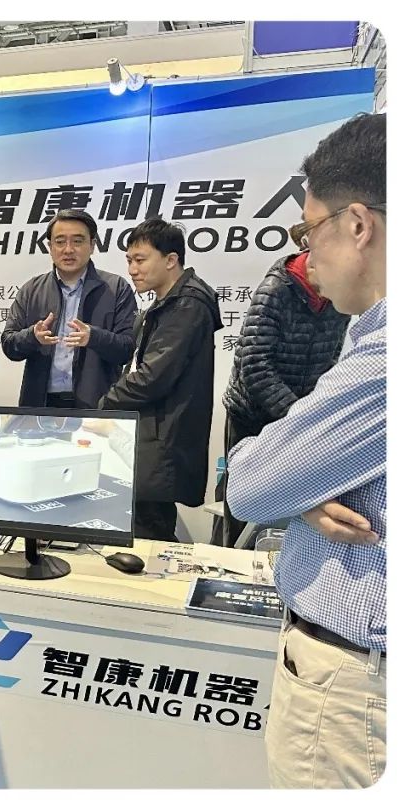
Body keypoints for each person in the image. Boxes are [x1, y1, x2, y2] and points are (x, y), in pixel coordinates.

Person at [227, 113, 385, 788]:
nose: (307, 253)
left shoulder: (385, 357)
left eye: (308, 229)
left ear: (358, 225)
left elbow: (249, 485)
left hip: (353, 688)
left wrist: (292, 475)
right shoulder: (362, 329)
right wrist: (305, 480)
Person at [98, 218, 223, 541]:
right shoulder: (170, 301)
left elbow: (153, 376)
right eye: (129, 260)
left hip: (162, 438)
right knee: (146, 526)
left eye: (140, 260)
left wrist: (105, 404)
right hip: (154, 434)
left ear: (171, 260)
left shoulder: (187, 304)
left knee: (148, 535)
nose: (132, 270)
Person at [214, 250, 350, 545]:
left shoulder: (340, 293)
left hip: (297, 417)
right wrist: (298, 415)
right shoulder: (276, 290)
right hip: (252, 415)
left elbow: (331, 358)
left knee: (294, 504)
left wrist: (310, 413)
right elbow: (254, 365)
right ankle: (224, 563)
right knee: (240, 504)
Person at [1, 209, 136, 409]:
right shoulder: (32, 290)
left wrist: (94, 337)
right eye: (60, 241)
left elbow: (127, 349)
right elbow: (9, 345)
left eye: (78, 241)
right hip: (41, 405)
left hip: (97, 407)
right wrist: (32, 336)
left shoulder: (116, 288)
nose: (68, 249)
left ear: (92, 245)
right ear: (50, 246)